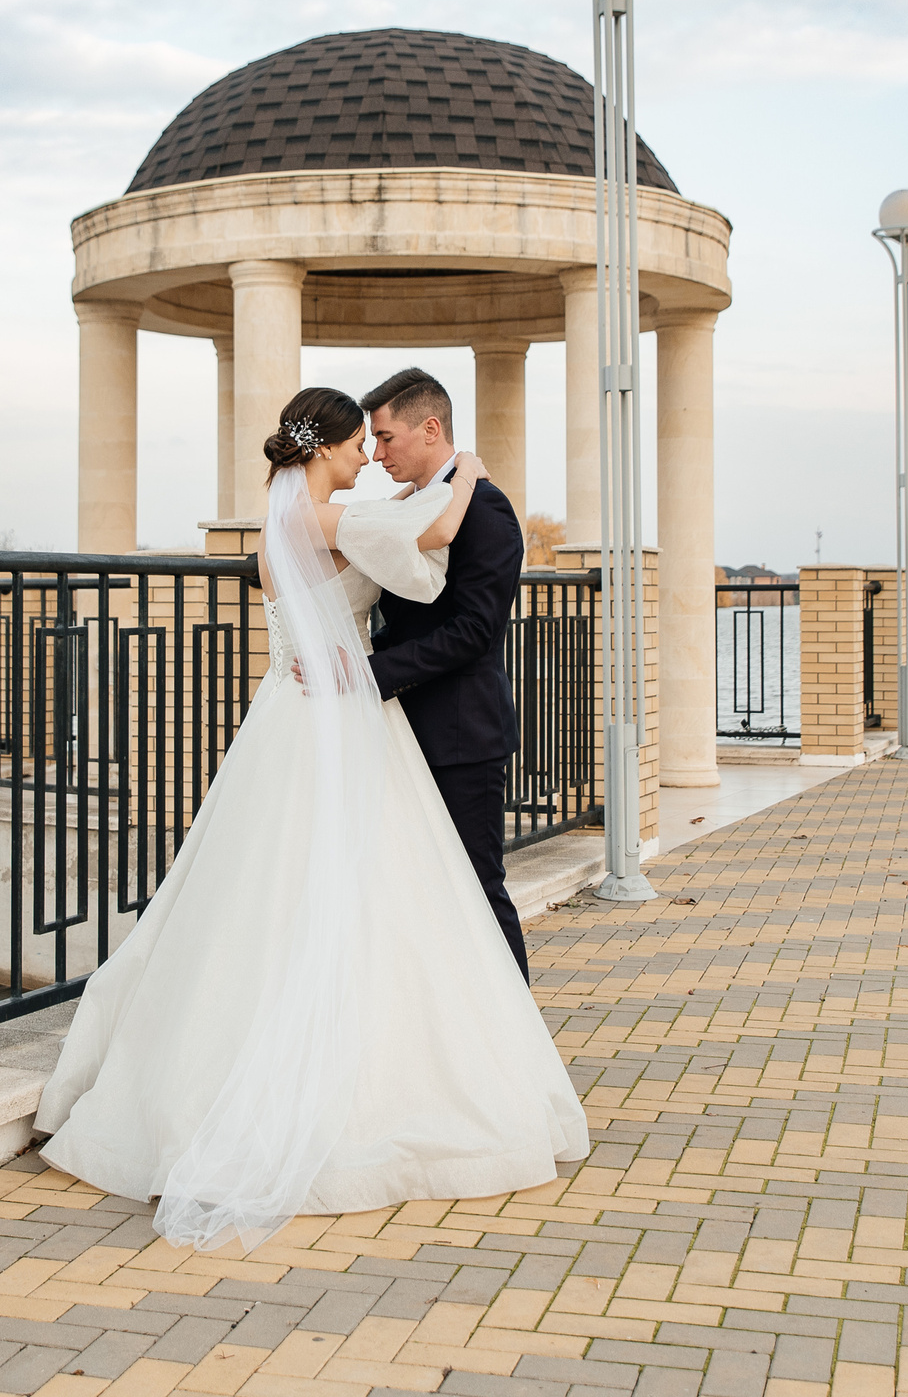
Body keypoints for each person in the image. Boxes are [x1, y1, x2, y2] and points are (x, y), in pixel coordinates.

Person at [32, 386, 589, 1250]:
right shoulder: (333, 519)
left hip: (302, 710)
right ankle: (466, 1073)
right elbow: (431, 541)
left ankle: (485, 1056)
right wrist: (470, 473)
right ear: (324, 448)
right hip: (339, 711)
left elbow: (427, 570)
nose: (371, 453)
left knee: (290, 890)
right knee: (384, 891)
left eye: (384, 437)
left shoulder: (286, 521)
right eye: (360, 442)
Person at [358, 368, 530, 977]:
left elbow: (474, 631)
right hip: (403, 730)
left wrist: (371, 673)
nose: (377, 455)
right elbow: (408, 619)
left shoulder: (484, 508)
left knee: (477, 888)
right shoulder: (418, 505)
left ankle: (519, 1042)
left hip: (460, 735)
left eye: (386, 439)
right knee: (420, 893)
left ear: (430, 429)